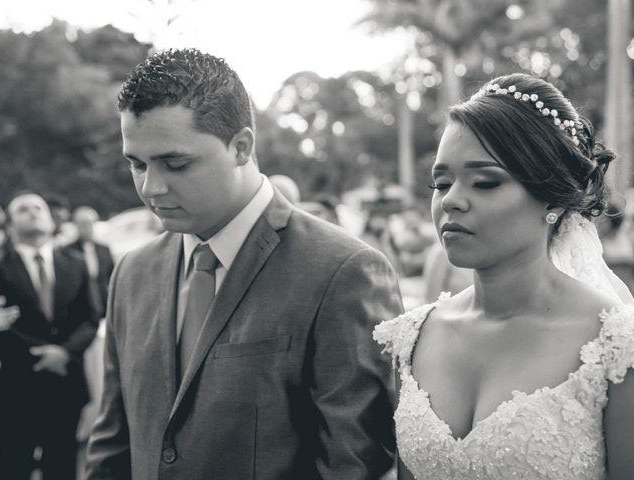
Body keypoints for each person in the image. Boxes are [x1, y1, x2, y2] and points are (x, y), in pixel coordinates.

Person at [85, 48, 402, 480]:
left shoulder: (343, 271)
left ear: (241, 146)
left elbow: (354, 465)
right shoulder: (131, 273)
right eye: (136, 164)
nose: (151, 188)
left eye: (175, 163)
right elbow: (112, 442)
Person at [374, 73, 634, 479]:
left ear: (550, 194)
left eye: (485, 182)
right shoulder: (412, 338)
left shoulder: (615, 345)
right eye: (441, 183)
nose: (452, 201)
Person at [0, 192, 98, 480]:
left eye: (38, 207)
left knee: (62, 463)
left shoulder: (76, 263)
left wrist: (64, 353)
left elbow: (90, 317)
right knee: (14, 464)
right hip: (17, 383)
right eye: (23, 209)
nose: (33, 212)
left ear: (52, 220)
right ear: (10, 224)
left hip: (65, 380)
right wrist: (41, 353)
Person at [66, 206, 115, 318]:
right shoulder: (68, 251)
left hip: (104, 304)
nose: (87, 227)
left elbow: (111, 276)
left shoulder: (104, 249)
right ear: (76, 225)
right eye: (83, 224)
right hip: (80, 307)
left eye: (90, 223)